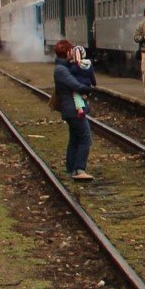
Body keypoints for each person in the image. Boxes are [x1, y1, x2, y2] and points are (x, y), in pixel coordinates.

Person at [52, 38, 95, 181]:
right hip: (73, 109)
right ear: (68, 52)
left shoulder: (63, 67)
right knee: (86, 138)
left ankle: (71, 169)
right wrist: (87, 88)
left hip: (70, 108)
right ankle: (79, 169)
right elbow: (75, 85)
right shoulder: (62, 70)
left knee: (75, 139)